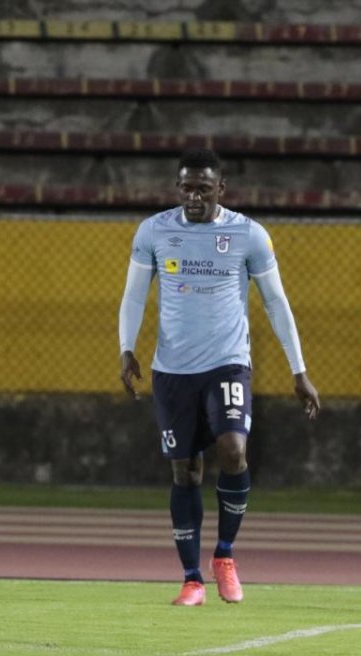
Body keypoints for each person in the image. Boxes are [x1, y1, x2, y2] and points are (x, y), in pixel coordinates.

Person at [118, 148, 320, 606]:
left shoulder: (249, 235)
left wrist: (299, 370)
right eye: (187, 188)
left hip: (228, 363)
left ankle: (225, 554)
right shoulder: (154, 231)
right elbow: (134, 296)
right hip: (173, 370)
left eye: (203, 189)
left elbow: (276, 302)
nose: (194, 196)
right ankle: (192, 579)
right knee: (186, 470)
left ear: (220, 189)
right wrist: (126, 349)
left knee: (233, 450)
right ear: (178, 188)